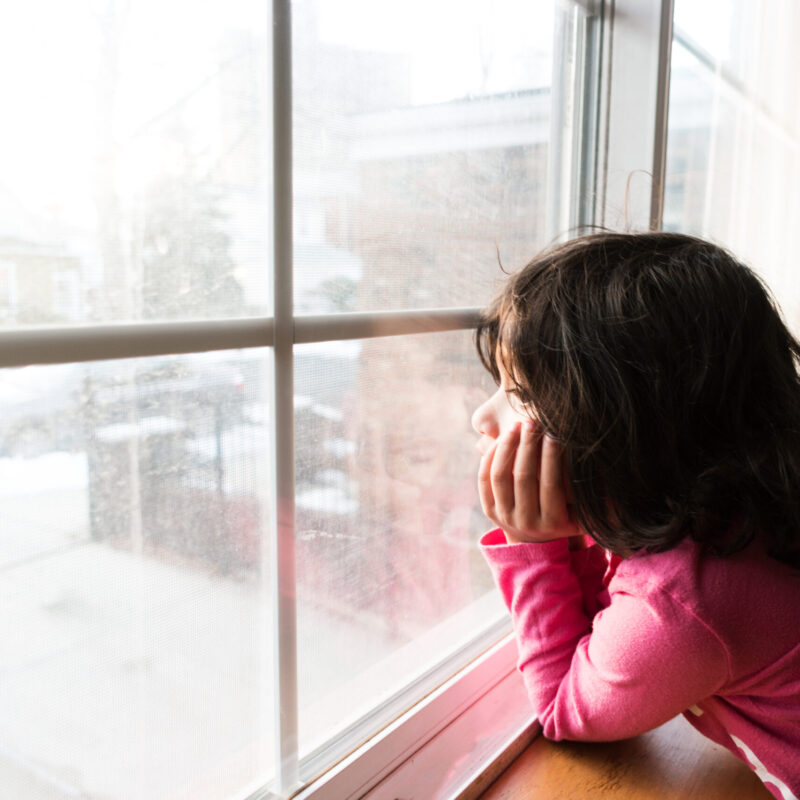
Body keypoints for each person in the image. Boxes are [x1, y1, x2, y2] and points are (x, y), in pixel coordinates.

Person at [471, 232, 800, 800]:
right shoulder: (742, 508)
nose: (483, 415)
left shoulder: (680, 605)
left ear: (635, 428)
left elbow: (561, 709)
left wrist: (532, 544)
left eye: (520, 390)